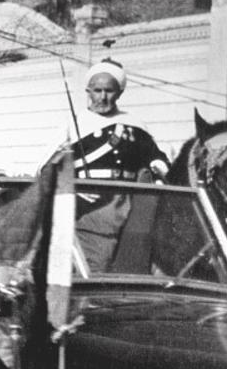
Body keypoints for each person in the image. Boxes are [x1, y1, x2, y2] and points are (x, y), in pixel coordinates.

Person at [56, 58, 171, 272]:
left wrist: (160, 165)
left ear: (119, 93)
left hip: (129, 204)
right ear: (88, 91)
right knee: (94, 267)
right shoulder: (72, 125)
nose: (102, 96)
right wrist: (71, 188)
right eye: (96, 90)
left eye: (108, 91)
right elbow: (48, 169)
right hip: (89, 208)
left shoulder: (134, 124)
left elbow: (155, 155)